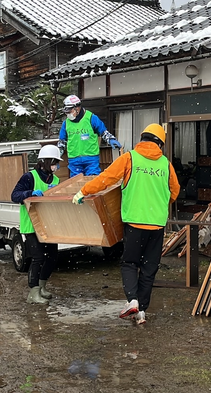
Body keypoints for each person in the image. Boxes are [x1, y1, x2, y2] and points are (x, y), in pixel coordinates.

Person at [72, 123, 179, 325]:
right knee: (149, 269)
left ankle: (132, 300)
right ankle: (142, 312)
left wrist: (84, 191)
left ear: (142, 139)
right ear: (160, 144)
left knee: (130, 263)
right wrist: (158, 205)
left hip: (134, 223)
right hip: (156, 225)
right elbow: (174, 191)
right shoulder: (166, 164)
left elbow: (106, 179)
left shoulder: (130, 158)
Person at [12, 144, 62, 304]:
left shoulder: (56, 180)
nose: (57, 166)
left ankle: (42, 286)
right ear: (46, 162)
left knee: (52, 257)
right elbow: (15, 195)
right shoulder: (29, 177)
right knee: (38, 257)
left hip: (49, 224)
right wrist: (30, 193)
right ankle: (33, 292)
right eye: (55, 162)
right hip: (31, 225)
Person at [57, 94, 122, 177]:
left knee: (92, 182)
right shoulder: (66, 123)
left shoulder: (91, 118)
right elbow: (62, 142)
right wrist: (56, 157)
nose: (68, 114)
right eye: (67, 112)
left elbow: (103, 131)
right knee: (76, 184)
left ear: (77, 108)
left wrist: (110, 139)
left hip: (91, 159)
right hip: (74, 160)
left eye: (70, 111)